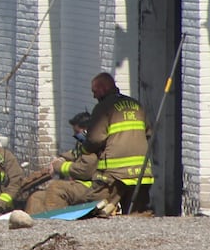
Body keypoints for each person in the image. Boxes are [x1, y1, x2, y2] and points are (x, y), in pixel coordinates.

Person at [85, 71, 153, 214]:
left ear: (103, 89)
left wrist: (86, 148)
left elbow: (95, 139)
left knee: (95, 208)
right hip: (141, 172)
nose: (94, 96)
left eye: (95, 91)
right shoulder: (136, 105)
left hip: (114, 173)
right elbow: (148, 132)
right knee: (138, 214)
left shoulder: (103, 107)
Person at [25, 111, 98, 214]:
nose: (75, 135)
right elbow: (74, 153)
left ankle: (56, 224)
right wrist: (60, 159)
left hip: (91, 186)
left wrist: (59, 167)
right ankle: (33, 226)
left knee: (56, 188)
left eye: (77, 132)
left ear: (86, 130)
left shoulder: (94, 145)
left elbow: (85, 171)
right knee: (36, 197)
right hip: (79, 184)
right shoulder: (83, 143)